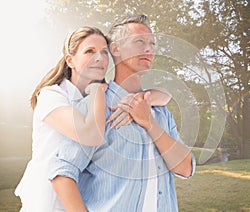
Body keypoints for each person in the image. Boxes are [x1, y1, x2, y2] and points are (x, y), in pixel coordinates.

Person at [15, 26, 171, 212]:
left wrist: (139, 100)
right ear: (70, 60)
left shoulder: (100, 96)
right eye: (90, 51)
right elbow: (91, 135)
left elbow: (165, 96)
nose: (100, 58)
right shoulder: (52, 95)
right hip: (46, 201)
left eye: (104, 52)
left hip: (79, 197)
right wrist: (98, 92)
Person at [50, 14, 196, 212]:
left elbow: (186, 168)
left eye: (152, 44)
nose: (149, 49)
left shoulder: (161, 111)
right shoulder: (94, 108)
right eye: (139, 42)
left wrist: (148, 122)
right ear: (115, 49)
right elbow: (62, 174)